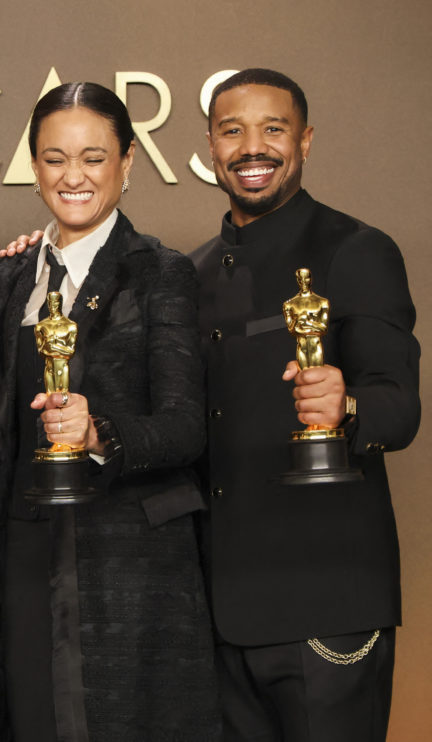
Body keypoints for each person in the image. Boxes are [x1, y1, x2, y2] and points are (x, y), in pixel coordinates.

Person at [0, 82, 219, 741]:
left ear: (129, 163)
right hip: (28, 550)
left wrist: (98, 433)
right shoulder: (12, 274)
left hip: (129, 566)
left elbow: (184, 426)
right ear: (34, 169)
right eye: (55, 158)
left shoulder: (160, 272)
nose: (73, 176)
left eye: (93, 157)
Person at [192, 68, 420, 742]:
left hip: (328, 605)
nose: (251, 148)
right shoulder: (192, 272)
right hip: (221, 614)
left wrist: (344, 406)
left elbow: (399, 407)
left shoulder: (359, 249)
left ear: (306, 140)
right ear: (211, 147)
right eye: (232, 131)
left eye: (273, 130)